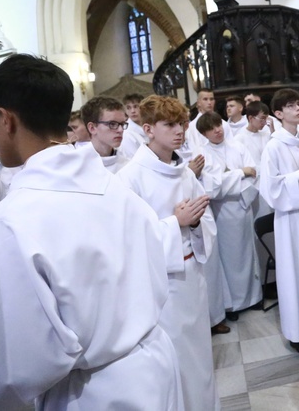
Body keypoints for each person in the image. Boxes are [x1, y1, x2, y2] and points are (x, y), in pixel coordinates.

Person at [0, 55, 181, 410]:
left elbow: (19, 364)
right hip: (155, 365)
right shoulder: (115, 187)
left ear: (6, 119)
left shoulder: (12, 219)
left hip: (92, 393)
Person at [116, 95, 220, 411]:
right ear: (148, 129)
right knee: (175, 361)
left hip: (193, 278)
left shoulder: (185, 172)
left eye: (183, 124)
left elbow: (207, 221)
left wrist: (197, 221)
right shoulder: (129, 178)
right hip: (163, 287)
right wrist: (176, 222)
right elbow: (128, 241)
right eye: (170, 125)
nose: (180, 131)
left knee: (201, 356)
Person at [259, 88, 299, 356]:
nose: (298, 109)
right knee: (296, 275)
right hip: (290, 220)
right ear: (278, 113)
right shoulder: (273, 146)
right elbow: (270, 189)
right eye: (291, 106)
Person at [196, 112, 263, 315]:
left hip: (243, 206)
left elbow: (255, 173)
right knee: (229, 258)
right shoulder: (201, 154)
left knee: (248, 253)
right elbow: (211, 187)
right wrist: (240, 173)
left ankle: (254, 297)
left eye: (218, 125)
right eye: (211, 128)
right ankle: (233, 303)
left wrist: (231, 180)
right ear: (203, 133)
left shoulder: (238, 147)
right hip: (222, 212)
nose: (217, 130)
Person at [81, 96, 130, 174]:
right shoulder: (77, 165)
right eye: (112, 124)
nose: (120, 130)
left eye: (122, 124)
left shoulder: (128, 166)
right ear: (92, 128)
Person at [118, 92, 148, 159]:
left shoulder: (149, 126)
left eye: (136, 106)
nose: (132, 111)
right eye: (128, 108)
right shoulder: (127, 134)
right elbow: (134, 160)